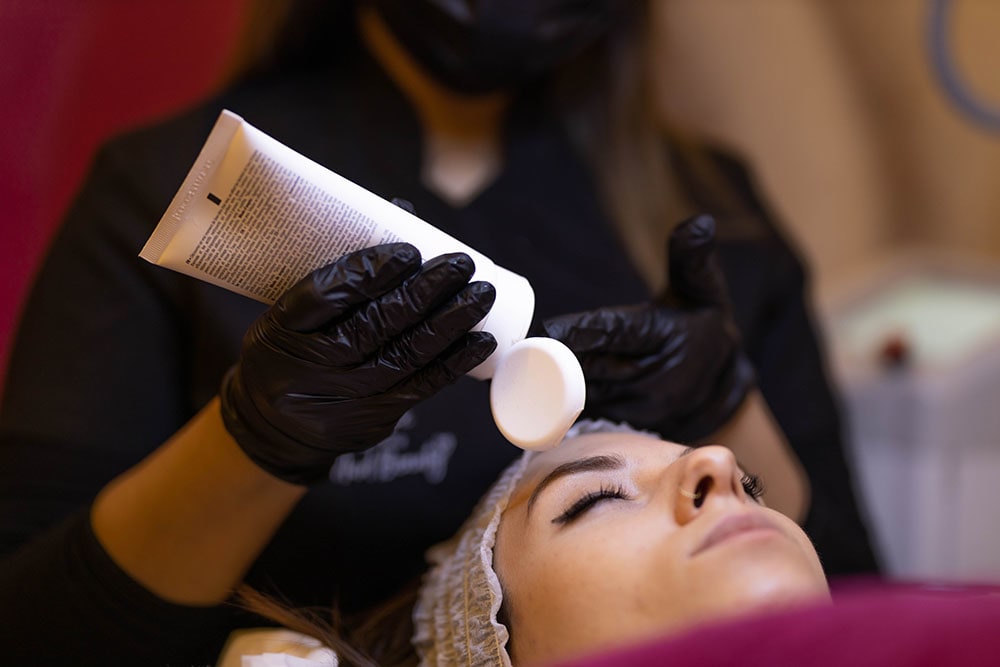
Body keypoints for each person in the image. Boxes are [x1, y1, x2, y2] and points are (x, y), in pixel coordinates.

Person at [0, 0, 878, 662]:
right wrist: (254, 442)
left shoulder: (710, 210)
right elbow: (32, 632)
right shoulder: (183, 186)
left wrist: (728, 407)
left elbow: (857, 600)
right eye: (591, 499)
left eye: (744, 478)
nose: (718, 470)